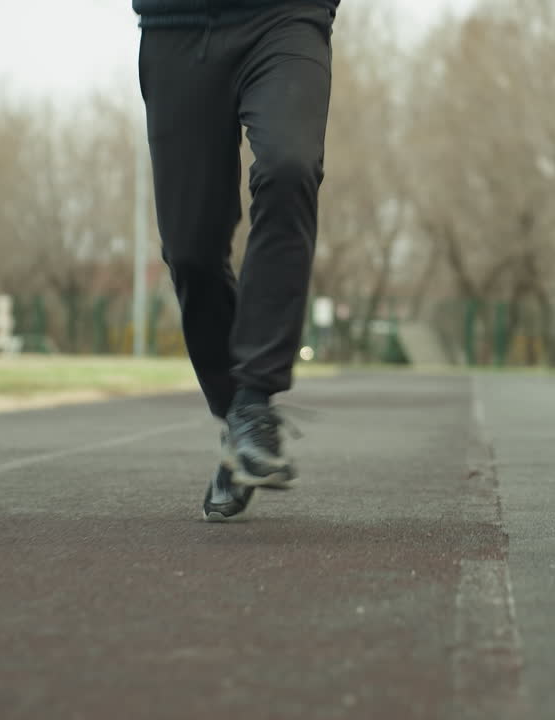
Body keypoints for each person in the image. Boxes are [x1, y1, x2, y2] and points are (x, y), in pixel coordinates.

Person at [133, 0, 337, 521]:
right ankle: (238, 419)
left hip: (286, 18)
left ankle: (253, 402)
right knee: (190, 251)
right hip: (173, 27)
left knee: (289, 167)